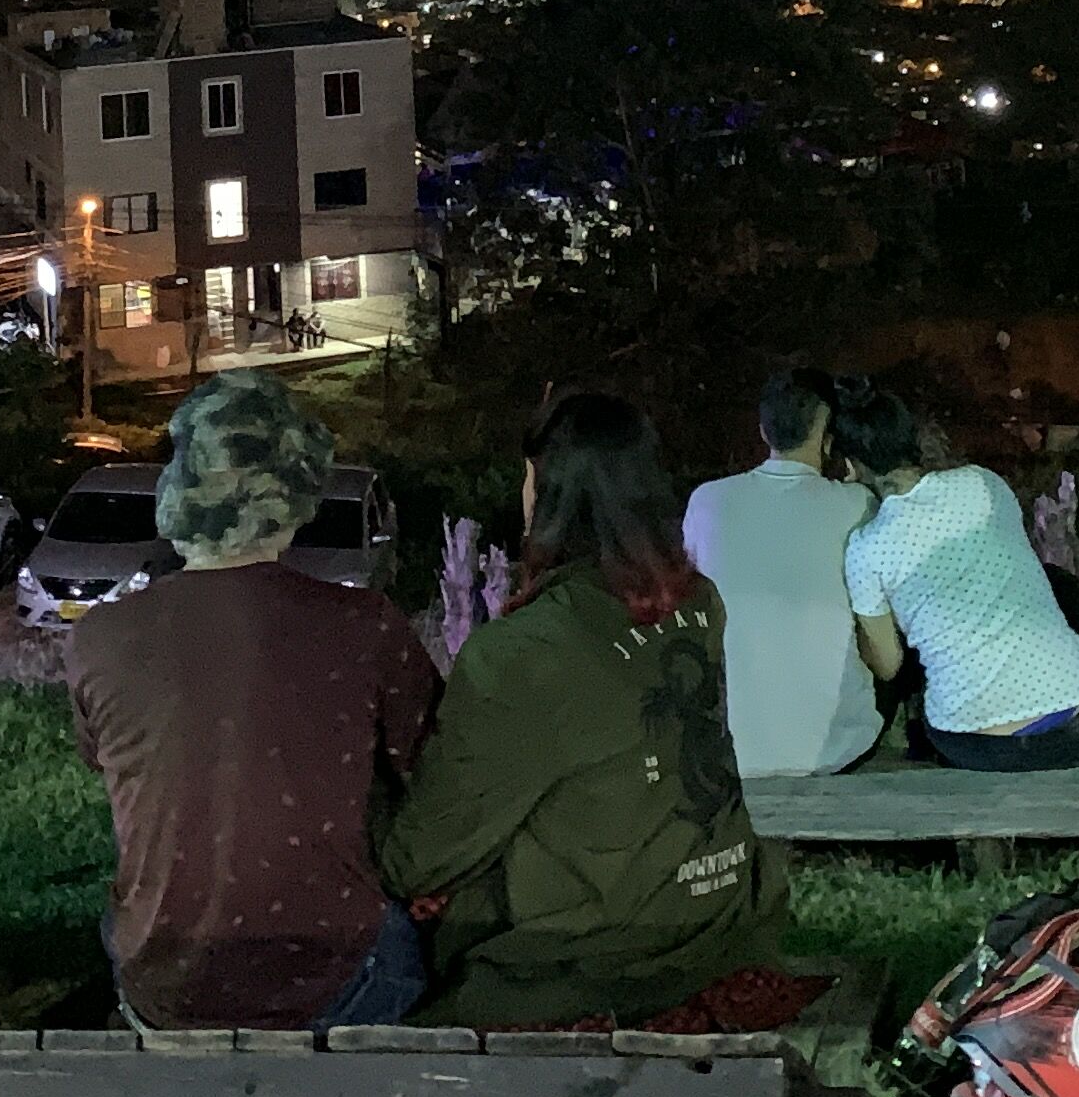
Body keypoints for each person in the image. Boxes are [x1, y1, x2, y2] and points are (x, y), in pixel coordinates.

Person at [379, 391, 791, 1027]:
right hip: (722, 914)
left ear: (546, 495)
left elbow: (422, 858)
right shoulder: (697, 601)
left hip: (602, 957)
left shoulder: (523, 652)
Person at [68, 372, 440, 1028]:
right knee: (412, 944)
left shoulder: (98, 637)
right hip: (334, 974)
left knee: (123, 915)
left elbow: (110, 762)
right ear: (296, 495)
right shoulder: (364, 623)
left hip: (164, 980)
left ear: (179, 492)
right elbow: (433, 769)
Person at [826, 381, 1079, 771]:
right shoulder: (985, 484)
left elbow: (888, 667)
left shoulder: (867, 548)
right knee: (1058, 583)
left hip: (979, 746)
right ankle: (1072, 686)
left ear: (848, 466)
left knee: (910, 635)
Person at [683, 367, 883, 779]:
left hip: (730, 746)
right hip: (834, 750)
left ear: (763, 431)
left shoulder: (708, 502)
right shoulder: (856, 505)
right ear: (829, 440)